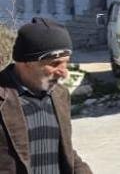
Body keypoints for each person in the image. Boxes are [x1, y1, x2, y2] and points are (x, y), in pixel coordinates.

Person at [0, 18, 91, 173]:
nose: (64, 72)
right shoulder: (3, 98)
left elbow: (65, 152)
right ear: (25, 62)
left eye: (66, 63)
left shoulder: (60, 95)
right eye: (54, 64)